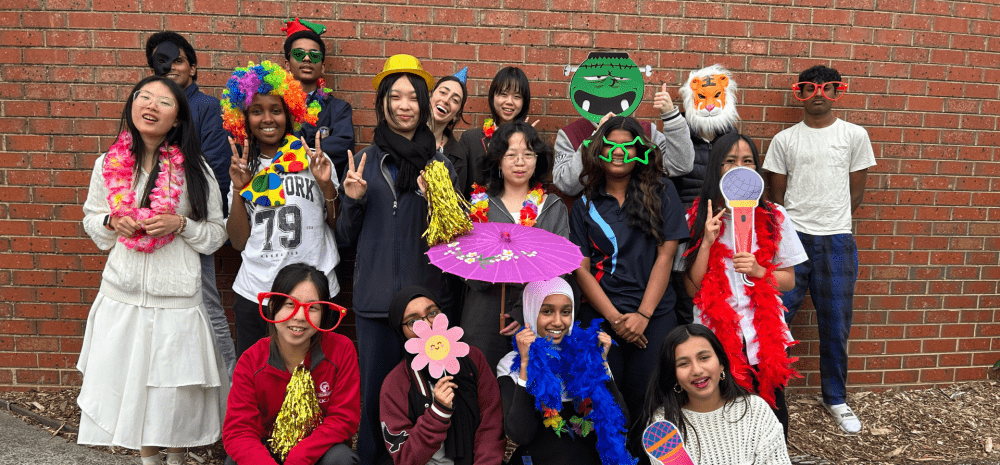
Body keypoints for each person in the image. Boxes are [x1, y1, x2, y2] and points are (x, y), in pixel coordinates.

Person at [79, 75, 228, 465]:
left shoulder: (195, 170)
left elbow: (216, 235)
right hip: (122, 299)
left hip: (176, 303)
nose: (150, 105)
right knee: (136, 393)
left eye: (164, 102)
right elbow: (92, 220)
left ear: (177, 119)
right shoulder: (108, 164)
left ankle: (176, 459)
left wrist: (181, 224)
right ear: (132, 105)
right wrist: (111, 221)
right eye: (143, 97)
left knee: (173, 394)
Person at [336, 54, 458, 465]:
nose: (404, 105)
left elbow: (452, 241)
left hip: (426, 308)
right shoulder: (364, 162)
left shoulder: (439, 166)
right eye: (395, 97)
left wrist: (433, 200)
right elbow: (344, 239)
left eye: (412, 97)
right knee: (375, 398)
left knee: (426, 395)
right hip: (375, 305)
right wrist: (352, 201)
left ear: (423, 104)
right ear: (383, 103)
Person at [761, 65, 876, 434]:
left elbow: (856, 192)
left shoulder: (854, 135)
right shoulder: (784, 140)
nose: (818, 95)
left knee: (836, 323)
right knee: (776, 319)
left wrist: (832, 221)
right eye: (809, 88)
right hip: (792, 241)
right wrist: (791, 233)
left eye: (827, 88)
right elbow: (776, 195)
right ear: (800, 93)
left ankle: (835, 398)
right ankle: (767, 396)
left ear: (838, 92)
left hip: (837, 240)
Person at [681, 132, 807, 436]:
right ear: (717, 168)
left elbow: (789, 280)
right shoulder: (696, 217)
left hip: (763, 336)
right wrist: (706, 242)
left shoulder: (775, 216)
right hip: (715, 334)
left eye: (747, 161)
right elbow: (692, 289)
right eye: (730, 161)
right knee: (722, 416)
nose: (739, 167)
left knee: (772, 415)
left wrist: (761, 271)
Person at [569, 116, 689, 426]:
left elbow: (666, 256)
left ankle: (640, 452)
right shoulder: (583, 203)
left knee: (647, 401)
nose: (619, 152)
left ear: (640, 151)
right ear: (599, 150)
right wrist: (615, 320)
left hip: (654, 315)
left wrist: (643, 316)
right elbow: (581, 269)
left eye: (628, 145)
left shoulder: (663, 192)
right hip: (602, 315)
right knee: (604, 399)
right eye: (610, 145)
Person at [221, 61, 340, 359]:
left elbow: (338, 225)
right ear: (243, 118)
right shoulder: (243, 167)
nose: (267, 119)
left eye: (276, 110)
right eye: (256, 111)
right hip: (257, 291)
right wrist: (238, 189)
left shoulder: (314, 160)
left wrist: (326, 186)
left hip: (314, 291)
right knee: (258, 375)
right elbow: (238, 241)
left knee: (314, 373)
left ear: (289, 114)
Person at [145, 31, 237, 374]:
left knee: (205, 302)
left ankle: (230, 385)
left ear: (193, 67)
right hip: (150, 227)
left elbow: (216, 167)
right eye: (162, 62)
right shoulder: (147, 110)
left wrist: (187, 216)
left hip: (192, 226)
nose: (170, 67)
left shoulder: (206, 107)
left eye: (178, 60)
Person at [223, 263, 360, 465]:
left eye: (312, 308)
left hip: (318, 450)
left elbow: (343, 418)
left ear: (324, 314)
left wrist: (297, 459)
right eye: (289, 304)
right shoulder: (251, 360)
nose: (299, 317)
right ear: (272, 306)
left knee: (341, 459)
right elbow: (239, 430)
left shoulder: (341, 349)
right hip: (265, 451)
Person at [463, 120, 569, 371]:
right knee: (480, 381)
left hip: (536, 314)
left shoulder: (553, 207)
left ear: (537, 160)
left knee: (530, 385)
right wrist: (497, 264)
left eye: (528, 154)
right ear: (498, 160)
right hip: (484, 311)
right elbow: (467, 268)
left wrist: (522, 311)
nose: (520, 162)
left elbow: (559, 269)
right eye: (511, 155)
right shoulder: (478, 207)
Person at [498, 277, 634, 465]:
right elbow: (521, 434)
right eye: (547, 311)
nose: (558, 322)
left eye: (565, 312)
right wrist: (525, 364)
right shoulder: (510, 365)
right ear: (531, 311)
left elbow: (621, 423)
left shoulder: (586, 357)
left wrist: (601, 364)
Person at [380, 287, 505, 465]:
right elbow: (406, 458)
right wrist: (437, 413)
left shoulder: (473, 359)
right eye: (413, 321)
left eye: (432, 313)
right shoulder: (396, 383)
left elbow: (491, 425)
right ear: (401, 331)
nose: (427, 325)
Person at [640, 324, 791, 465]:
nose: (697, 370)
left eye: (704, 358)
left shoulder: (755, 410)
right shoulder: (663, 425)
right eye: (683, 363)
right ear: (673, 375)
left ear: (721, 363)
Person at [552, 52, 694, 198]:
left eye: (619, 79)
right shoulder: (570, 135)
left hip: (640, 210)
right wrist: (594, 139)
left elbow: (681, 166)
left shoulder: (647, 132)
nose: (609, 84)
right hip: (588, 211)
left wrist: (671, 117)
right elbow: (566, 184)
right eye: (598, 78)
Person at [671, 64, 741, 325]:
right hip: (685, 225)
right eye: (702, 96)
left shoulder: (732, 137)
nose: (710, 104)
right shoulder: (678, 132)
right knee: (686, 291)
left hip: (723, 223)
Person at [281, 18, 355, 180]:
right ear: (287, 64)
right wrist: (317, 142)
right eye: (299, 54)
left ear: (322, 66)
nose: (307, 59)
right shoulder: (275, 105)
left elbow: (342, 150)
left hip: (322, 189)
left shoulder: (339, 109)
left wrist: (289, 146)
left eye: (314, 55)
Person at [454, 66, 531, 196]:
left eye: (517, 96)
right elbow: (459, 190)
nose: (509, 102)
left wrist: (525, 142)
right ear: (493, 96)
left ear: (524, 102)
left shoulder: (530, 142)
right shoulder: (471, 140)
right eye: (503, 94)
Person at [429, 67, 470, 190]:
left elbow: (456, 199)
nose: (446, 100)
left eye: (455, 100)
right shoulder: (406, 133)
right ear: (430, 96)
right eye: (443, 92)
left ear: (457, 114)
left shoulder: (457, 157)